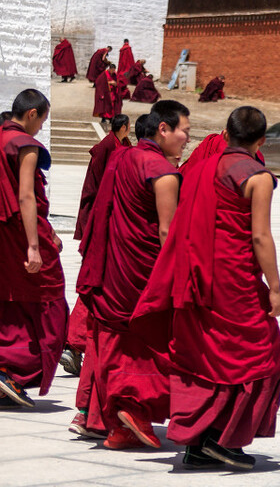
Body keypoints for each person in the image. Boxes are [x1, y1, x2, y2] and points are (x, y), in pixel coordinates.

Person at [131, 106, 280, 470]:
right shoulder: (258, 176)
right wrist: (275, 288)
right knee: (262, 356)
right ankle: (223, 439)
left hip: (196, 279)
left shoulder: (197, 169)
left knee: (203, 358)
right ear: (261, 141)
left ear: (226, 134)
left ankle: (199, 442)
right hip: (235, 283)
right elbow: (260, 236)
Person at [75, 100, 190, 447]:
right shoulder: (164, 173)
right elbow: (167, 234)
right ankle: (133, 410)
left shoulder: (122, 158)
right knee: (155, 341)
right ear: (163, 129)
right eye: (184, 129)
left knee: (111, 341)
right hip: (145, 272)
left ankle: (100, 419)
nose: (187, 137)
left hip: (114, 267)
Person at [0, 90, 68, 408]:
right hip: (21, 233)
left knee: (11, 301)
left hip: (3, 235)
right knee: (50, 301)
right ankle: (12, 371)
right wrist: (34, 245)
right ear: (32, 115)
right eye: (42, 119)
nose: (41, 127)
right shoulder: (23, 144)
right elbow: (26, 197)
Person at [61, 115, 132, 384]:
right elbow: (100, 188)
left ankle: (75, 345)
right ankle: (74, 343)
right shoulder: (108, 149)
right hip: (105, 222)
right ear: (123, 127)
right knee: (97, 287)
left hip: (107, 222)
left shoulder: (119, 146)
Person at [92, 63, 119, 127]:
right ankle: (103, 118)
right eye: (112, 70)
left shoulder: (115, 74)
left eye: (114, 70)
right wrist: (110, 83)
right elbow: (98, 82)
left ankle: (111, 118)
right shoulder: (104, 74)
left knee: (112, 105)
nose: (113, 71)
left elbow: (117, 82)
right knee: (105, 105)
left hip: (112, 92)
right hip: (105, 92)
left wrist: (115, 84)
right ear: (109, 69)